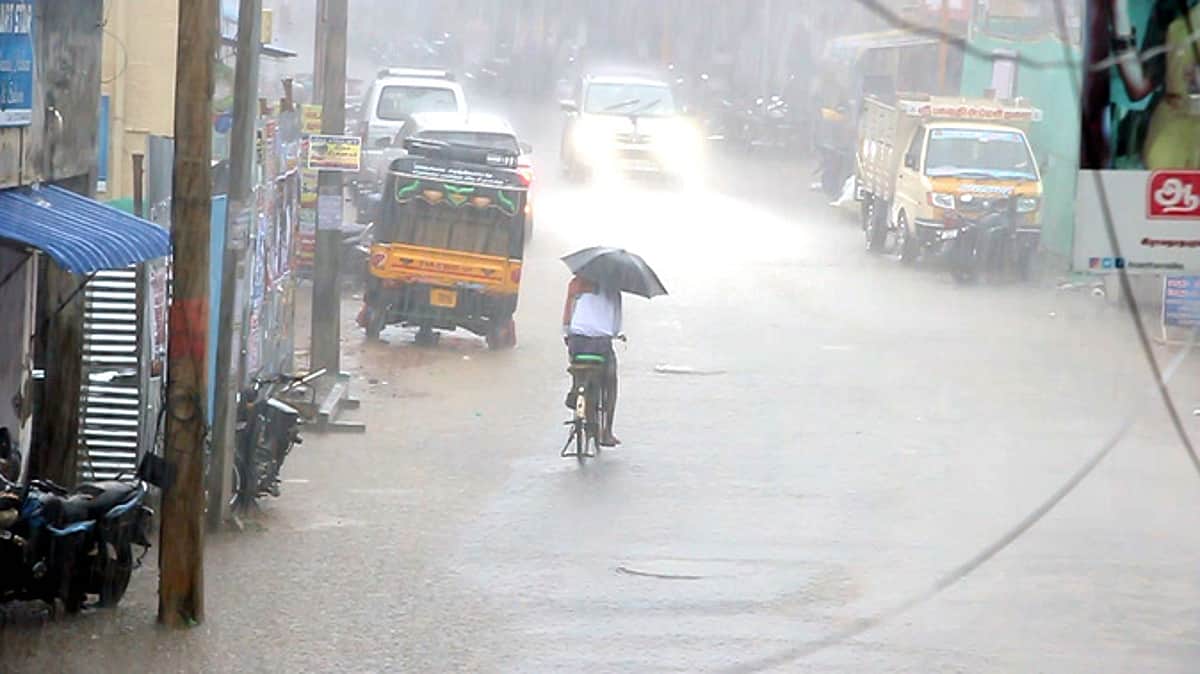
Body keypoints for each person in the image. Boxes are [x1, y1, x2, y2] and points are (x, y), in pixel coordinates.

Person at [562, 274, 622, 446]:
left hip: (577, 342)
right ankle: (607, 432)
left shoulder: (576, 283)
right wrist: (616, 333)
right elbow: (616, 325)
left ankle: (576, 387)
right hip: (601, 345)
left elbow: (568, 312)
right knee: (610, 381)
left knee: (579, 366)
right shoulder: (613, 289)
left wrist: (567, 333)